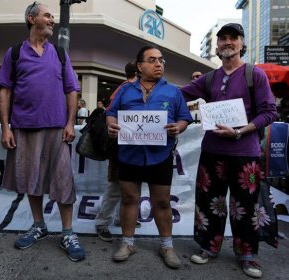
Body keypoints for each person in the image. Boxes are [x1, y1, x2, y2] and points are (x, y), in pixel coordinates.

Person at [181, 23, 277, 278]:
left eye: (233, 38)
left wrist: (240, 131)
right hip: (212, 150)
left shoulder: (254, 75)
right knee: (209, 202)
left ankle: (248, 256)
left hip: (245, 153)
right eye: (222, 38)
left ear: (241, 44)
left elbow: (269, 112)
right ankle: (208, 247)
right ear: (217, 45)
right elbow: (180, 94)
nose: (227, 42)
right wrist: (152, 89)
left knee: (245, 205)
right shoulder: (209, 78)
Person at [0, 2, 85, 262]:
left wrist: (70, 123)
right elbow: (5, 91)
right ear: (32, 18)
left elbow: (72, 90)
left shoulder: (59, 53)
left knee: (63, 182)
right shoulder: (14, 53)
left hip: (57, 128)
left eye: (53, 16)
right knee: (30, 180)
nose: (52, 20)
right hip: (23, 128)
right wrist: (5, 128)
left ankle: (68, 232)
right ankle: (39, 226)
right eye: (48, 15)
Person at [106, 46, 192, 268]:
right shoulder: (125, 90)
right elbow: (111, 113)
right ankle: (127, 242)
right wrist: (112, 126)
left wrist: (178, 128)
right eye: (152, 60)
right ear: (139, 66)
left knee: (162, 201)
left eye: (161, 60)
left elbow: (184, 118)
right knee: (128, 199)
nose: (158, 64)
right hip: (129, 154)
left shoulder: (173, 91)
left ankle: (167, 245)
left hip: (160, 155)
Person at [95, 62, 141, 242]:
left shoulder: (122, 88)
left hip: (131, 145)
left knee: (127, 187)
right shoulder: (127, 89)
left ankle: (121, 219)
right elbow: (112, 114)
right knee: (116, 186)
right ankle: (102, 223)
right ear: (138, 72)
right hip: (121, 146)